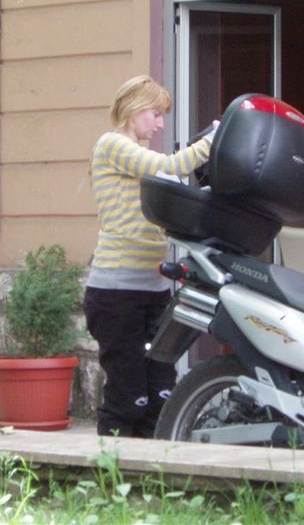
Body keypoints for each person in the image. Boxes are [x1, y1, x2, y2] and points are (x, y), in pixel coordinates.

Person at [84, 74, 216, 437]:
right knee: (128, 397)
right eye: (156, 115)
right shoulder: (112, 146)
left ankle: (152, 465)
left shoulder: (143, 159)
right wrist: (213, 141)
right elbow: (172, 166)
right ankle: (110, 465)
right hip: (116, 293)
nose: (160, 124)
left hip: (153, 290)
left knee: (160, 395)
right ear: (134, 109)